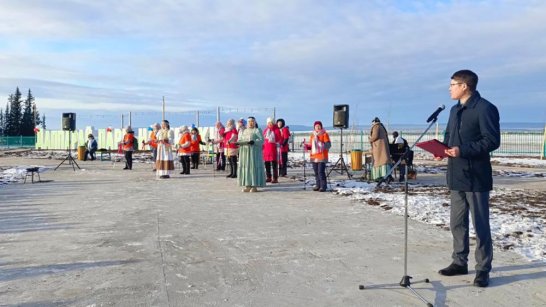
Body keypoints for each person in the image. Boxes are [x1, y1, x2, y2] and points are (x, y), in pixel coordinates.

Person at [437, 69, 500, 288]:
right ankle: (459, 262)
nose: (450, 88)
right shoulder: (455, 111)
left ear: (465, 86)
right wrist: (441, 150)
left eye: (452, 84)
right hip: (456, 175)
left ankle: (483, 269)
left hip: (476, 176)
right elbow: (448, 136)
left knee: (480, 225)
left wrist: (461, 150)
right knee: (457, 223)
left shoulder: (485, 108)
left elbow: (491, 141)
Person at [237, 116, 265, 192]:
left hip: (254, 153)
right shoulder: (245, 131)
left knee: (253, 167)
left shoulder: (257, 130)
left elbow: (262, 140)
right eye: (249, 121)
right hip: (245, 152)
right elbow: (240, 139)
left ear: (255, 122)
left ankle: (254, 185)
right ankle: (247, 185)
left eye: (252, 121)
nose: (251, 123)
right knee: (246, 167)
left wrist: (254, 142)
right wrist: (239, 142)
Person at [309, 121, 331, 192]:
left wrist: (321, 145)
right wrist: (306, 147)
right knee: (316, 172)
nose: (317, 127)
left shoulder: (324, 134)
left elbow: (328, 145)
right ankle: (318, 185)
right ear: (314, 127)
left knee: (320, 171)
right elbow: (310, 145)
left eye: (319, 126)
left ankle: (323, 186)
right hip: (314, 156)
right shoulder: (312, 135)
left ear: (321, 127)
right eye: (316, 126)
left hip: (322, 156)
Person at [369, 117, 392, 181]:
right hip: (383, 147)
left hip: (378, 147)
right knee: (384, 161)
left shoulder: (376, 127)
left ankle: (379, 176)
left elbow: (375, 136)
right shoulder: (382, 127)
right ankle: (387, 175)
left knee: (378, 161)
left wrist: (370, 139)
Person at [262, 117, 282, 183]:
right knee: (267, 164)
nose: (269, 124)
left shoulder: (276, 130)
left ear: (273, 123)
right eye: (268, 123)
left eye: (271, 123)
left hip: (273, 149)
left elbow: (278, 138)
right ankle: (268, 177)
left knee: (274, 164)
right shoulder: (265, 130)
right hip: (266, 149)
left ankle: (275, 178)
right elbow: (263, 138)